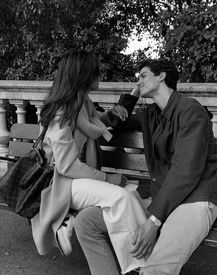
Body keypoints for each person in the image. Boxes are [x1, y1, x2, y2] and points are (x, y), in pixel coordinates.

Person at [74, 59, 217, 275]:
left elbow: (185, 172)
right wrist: (133, 94)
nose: (139, 80)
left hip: (195, 201)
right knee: (86, 222)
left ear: (161, 76)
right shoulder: (151, 114)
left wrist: (153, 222)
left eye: (143, 75)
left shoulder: (190, 111)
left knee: (155, 270)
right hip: (162, 200)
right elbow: (117, 124)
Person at [31, 49, 148, 274]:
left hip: (74, 178)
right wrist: (107, 178)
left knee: (130, 193)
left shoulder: (82, 103)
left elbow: (90, 126)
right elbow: (66, 165)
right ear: (83, 76)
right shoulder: (62, 112)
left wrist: (112, 114)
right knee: (121, 197)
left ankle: (140, 262)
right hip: (60, 183)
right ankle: (138, 266)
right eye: (96, 72)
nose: (99, 76)